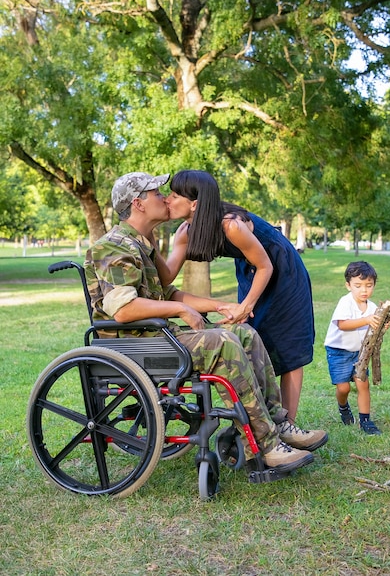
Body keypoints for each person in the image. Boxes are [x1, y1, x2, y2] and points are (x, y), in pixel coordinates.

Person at [84, 171, 328, 478]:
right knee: (222, 342)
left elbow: (166, 291)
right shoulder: (114, 247)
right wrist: (181, 310)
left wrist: (218, 305)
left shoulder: (140, 244)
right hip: (139, 344)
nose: (165, 197)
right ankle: (265, 446)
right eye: (157, 193)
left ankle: (278, 425)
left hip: (158, 336)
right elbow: (124, 309)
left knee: (244, 333)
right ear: (138, 204)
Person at [155, 169, 316, 430]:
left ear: (194, 204)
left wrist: (246, 305)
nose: (167, 200)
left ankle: (288, 425)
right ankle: (262, 418)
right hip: (251, 270)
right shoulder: (184, 231)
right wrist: (149, 235)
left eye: (174, 196)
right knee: (255, 338)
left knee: (289, 348)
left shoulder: (231, 225)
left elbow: (266, 266)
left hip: (281, 270)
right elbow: (167, 275)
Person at [324, 261, 382, 435]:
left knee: (362, 385)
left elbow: (375, 329)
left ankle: (366, 420)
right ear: (348, 286)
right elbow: (342, 324)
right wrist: (366, 320)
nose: (364, 290)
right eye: (358, 285)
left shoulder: (372, 307)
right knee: (344, 388)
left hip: (359, 353)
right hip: (339, 351)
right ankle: (343, 406)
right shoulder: (346, 302)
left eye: (368, 285)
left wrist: (382, 326)